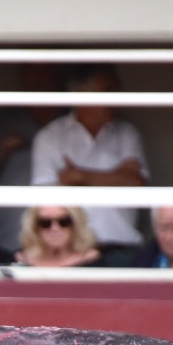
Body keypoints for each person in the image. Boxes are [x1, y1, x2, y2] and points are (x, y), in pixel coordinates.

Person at [29, 63, 148, 266]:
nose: (116, 98)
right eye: (107, 91)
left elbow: (136, 183)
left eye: (116, 90)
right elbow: (47, 200)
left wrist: (80, 177)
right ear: (81, 95)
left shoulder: (127, 133)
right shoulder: (50, 137)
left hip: (123, 250)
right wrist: (115, 177)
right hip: (71, 255)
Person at [0, 63, 62, 253]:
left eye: (42, 73)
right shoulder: (5, 118)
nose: (37, 81)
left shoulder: (72, 118)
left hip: (61, 231)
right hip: (13, 232)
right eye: (30, 75)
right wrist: (2, 153)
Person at [15, 205, 100, 268]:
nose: (55, 228)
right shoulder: (20, 260)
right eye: (46, 223)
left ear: (76, 224)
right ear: (34, 226)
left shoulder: (93, 260)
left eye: (64, 221)